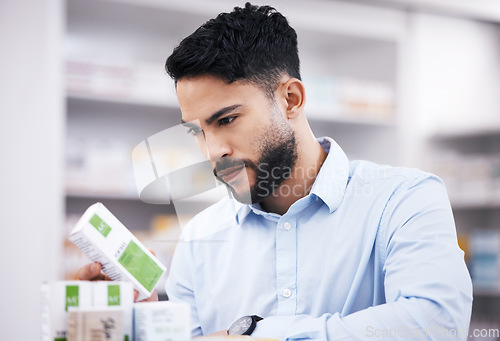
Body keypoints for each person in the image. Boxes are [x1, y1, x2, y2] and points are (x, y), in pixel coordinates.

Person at [79, 3, 473, 340]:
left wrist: (259, 335)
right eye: (197, 132)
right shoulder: (200, 239)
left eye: (228, 119)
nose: (214, 151)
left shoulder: (403, 200)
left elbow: (436, 323)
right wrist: (148, 323)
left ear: (291, 99)